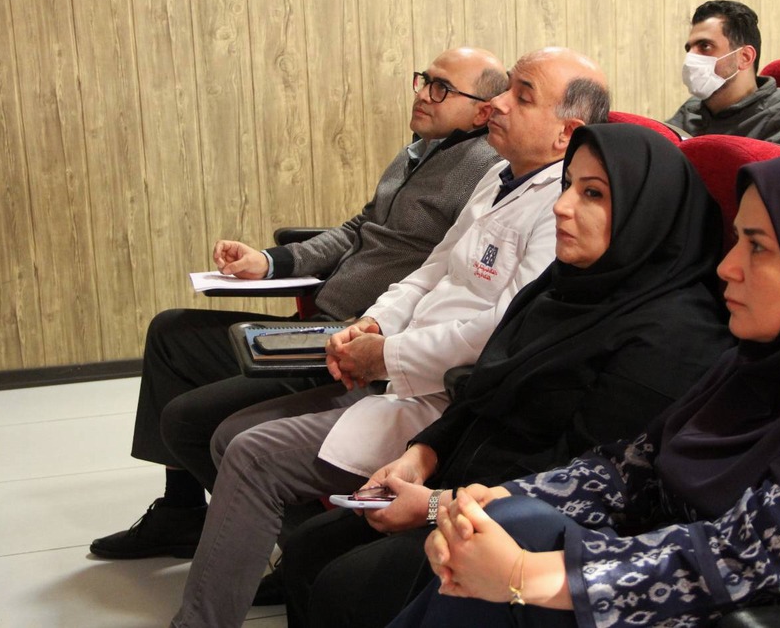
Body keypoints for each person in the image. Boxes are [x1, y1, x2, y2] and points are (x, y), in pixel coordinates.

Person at [393, 153, 780, 628]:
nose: (728, 267)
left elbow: (737, 563)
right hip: (676, 590)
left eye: (758, 248)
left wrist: (524, 576)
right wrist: (493, 498)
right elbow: (630, 470)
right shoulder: (752, 367)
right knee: (505, 523)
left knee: (516, 548)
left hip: (757, 617)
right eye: (736, 241)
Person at [166, 47, 612, 628]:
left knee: (251, 454)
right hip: (398, 368)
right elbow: (430, 271)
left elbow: (505, 328)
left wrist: (387, 356)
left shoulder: (562, 209)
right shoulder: (500, 177)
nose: (498, 104)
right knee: (228, 435)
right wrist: (372, 325)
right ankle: (287, 556)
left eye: (520, 96)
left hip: (442, 397)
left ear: (565, 133)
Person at [278, 123, 735, 628]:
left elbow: (587, 478)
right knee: (306, 550)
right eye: (567, 186)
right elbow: (480, 388)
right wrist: (420, 456)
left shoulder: (675, 337)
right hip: (462, 488)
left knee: (344, 588)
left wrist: (435, 507)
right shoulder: (562, 285)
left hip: (526, 524)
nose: (562, 206)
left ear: (647, 212)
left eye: (593, 195)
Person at [89, 47, 508, 561]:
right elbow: (360, 228)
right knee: (171, 333)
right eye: (423, 80)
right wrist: (270, 262)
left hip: (354, 337)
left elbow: (447, 276)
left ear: (484, 111)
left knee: (187, 420)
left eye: (441, 88)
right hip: (319, 319)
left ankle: (307, 547)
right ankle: (182, 513)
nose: (423, 94)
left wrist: (375, 331)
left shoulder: (486, 170)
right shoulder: (420, 149)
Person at [667, 0, 780, 151]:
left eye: (705, 46)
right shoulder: (692, 108)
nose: (690, 58)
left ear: (745, 57)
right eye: (689, 49)